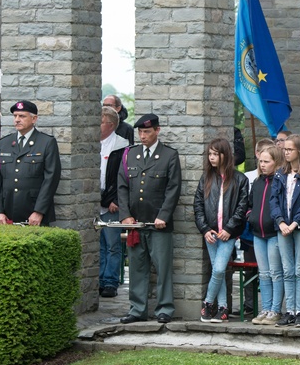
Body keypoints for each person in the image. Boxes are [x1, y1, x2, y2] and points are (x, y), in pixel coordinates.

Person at [118, 114, 182, 324]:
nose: (142, 136)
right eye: (140, 132)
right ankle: (137, 309)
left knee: (162, 268)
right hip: (135, 222)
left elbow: (173, 188)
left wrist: (163, 215)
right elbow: (123, 187)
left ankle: (164, 308)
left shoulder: (169, 155)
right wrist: (125, 215)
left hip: (158, 224)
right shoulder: (130, 154)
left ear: (157, 130)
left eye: (146, 132)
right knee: (137, 268)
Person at [194, 138, 249, 323]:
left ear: (225, 155)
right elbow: (198, 205)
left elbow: (242, 208)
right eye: (210, 154)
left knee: (218, 269)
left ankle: (208, 302)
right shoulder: (206, 178)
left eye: (216, 154)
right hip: (210, 234)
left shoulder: (240, 180)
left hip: (228, 234)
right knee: (219, 270)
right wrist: (204, 229)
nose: (212, 158)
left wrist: (228, 229)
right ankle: (223, 308)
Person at [0, 100, 62, 226]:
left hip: (34, 213)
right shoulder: (3, 144)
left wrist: (39, 211)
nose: (17, 120)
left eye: (22, 116)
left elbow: (51, 179)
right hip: (7, 213)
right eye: (15, 116)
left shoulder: (46, 143)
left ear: (34, 119)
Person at [271, 134, 300, 328]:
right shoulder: (280, 174)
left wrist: (295, 222)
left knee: (299, 268)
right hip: (283, 227)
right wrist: (280, 221)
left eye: (290, 149)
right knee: (287, 269)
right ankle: (289, 309)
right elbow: (273, 201)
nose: (286, 152)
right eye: (285, 149)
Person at [249, 144, 284, 325]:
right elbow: (250, 204)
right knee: (263, 274)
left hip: (273, 233)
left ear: (276, 162)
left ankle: (275, 310)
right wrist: (251, 216)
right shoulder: (257, 182)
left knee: (275, 273)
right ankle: (265, 308)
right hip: (258, 233)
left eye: (266, 162)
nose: (262, 165)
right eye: (260, 161)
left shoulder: (280, 182)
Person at [98, 106, 129, 298]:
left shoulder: (121, 145)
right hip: (95, 201)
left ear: (110, 124)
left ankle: (110, 281)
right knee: (99, 245)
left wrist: (117, 199)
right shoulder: (92, 142)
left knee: (112, 244)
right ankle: (99, 279)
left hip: (111, 203)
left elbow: (124, 176)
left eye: (100, 121)